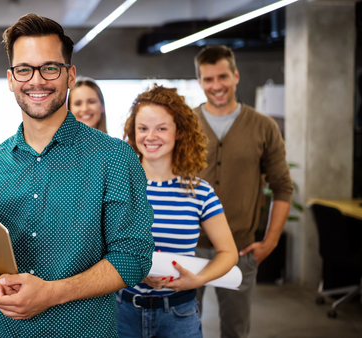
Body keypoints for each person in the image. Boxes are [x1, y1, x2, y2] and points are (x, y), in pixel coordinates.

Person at [0, 14, 155, 337]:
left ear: (70, 76)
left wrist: (51, 294)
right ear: (11, 79)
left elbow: (133, 257)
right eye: (24, 69)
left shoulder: (114, 158)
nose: (36, 81)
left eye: (50, 68)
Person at [118, 85, 238, 338]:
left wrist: (198, 279)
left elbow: (229, 253)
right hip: (123, 312)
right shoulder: (119, 186)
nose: (151, 136)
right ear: (133, 132)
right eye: (143, 128)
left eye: (161, 128)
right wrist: (136, 271)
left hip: (179, 314)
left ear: (179, 133)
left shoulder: (200, 192)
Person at [193, 45, 293, 338]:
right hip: (188, 246)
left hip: (240, 248)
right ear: (200, 81)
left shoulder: (264, 127)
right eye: (208, 79)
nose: (216, 86)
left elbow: (282, 186)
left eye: (222, 76)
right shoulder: (184, 124)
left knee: (235, 330)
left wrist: (270, 241)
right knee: (183, 328)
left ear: (236, 76)